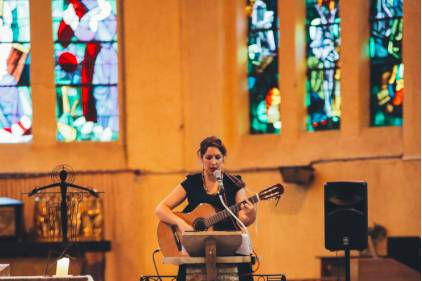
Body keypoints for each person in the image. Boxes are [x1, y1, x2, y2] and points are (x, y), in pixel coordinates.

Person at [155, 136, 256, 281]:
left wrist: (252, 213)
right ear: (201, 158)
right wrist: (180, 223)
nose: (213, 162)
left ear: (223, 159)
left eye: (217, 157)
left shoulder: (234, 184)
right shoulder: (192, 182)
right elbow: (160, 209)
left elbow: (242, 220)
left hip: (228, 253)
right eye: (208, 157)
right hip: (194, 253)